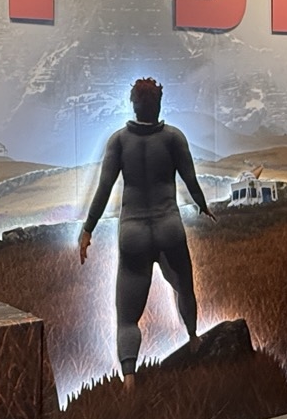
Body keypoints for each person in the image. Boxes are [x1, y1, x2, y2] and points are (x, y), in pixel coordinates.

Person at [78, 78, 217, 390]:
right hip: (169, 226)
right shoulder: (173, 138)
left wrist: (87, 229)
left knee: (127, 318)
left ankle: (129, 380)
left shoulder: (118, 141)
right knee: (184, 289)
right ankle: (193, 338)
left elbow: (103, 189)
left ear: (133, 104)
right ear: (159, 104)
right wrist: (203, 206)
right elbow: (191, 180)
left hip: (133, 232)